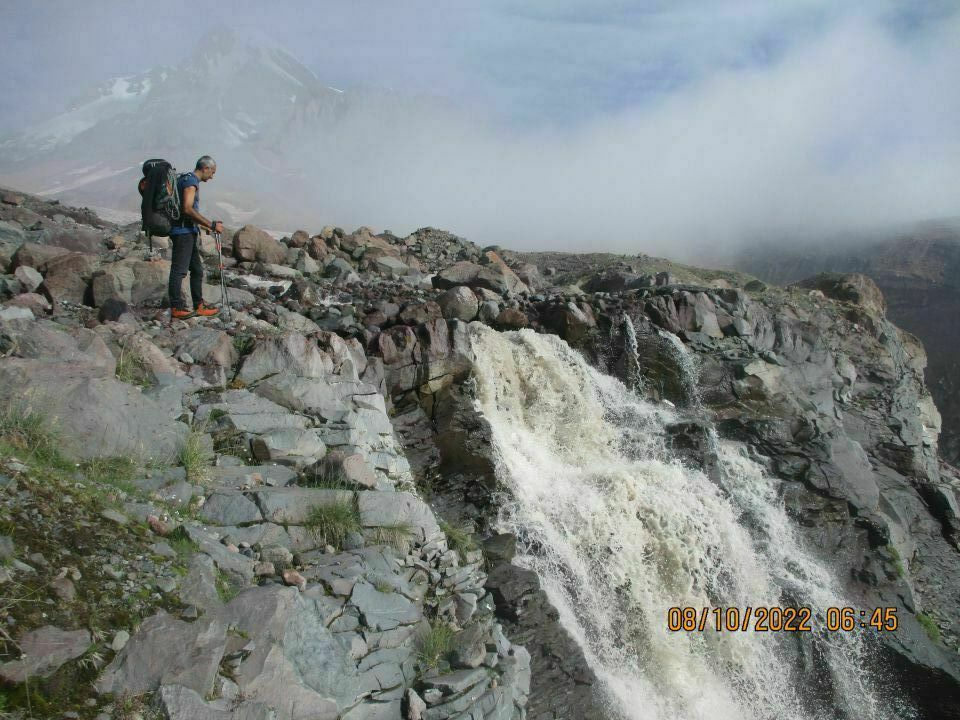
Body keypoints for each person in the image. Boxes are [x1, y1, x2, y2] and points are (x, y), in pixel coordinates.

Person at [168, 155, 224, 319]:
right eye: (212, 172)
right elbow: (187, 209)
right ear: (205, 168)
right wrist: (211, 225)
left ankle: (199, 306)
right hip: (183, 233)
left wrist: (205, 226)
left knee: (197, 270)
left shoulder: (185, 179)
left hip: (187, 231)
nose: (212, 177)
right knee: (179, 271)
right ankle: (176, 307)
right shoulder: (191, 182)